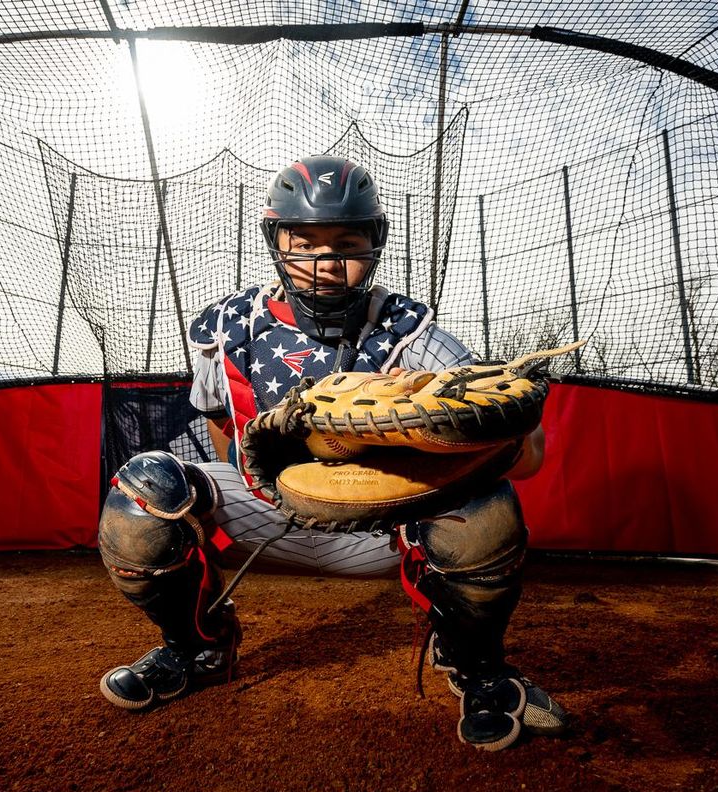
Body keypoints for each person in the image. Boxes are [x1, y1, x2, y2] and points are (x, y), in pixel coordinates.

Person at [96, 155, 568, 751]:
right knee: (144, 492)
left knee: (487, 502)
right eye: (305, 242)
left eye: (345, 242)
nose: (324, 262)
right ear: (276, 241)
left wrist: (503, 435)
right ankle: (198, 649)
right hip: (268, 508)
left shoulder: (406, 332)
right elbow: (222, 430)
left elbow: (526, 455)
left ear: (374, 246)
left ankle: (475, 665)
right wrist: (247, 492)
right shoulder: (225, 328)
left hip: (382, 524)